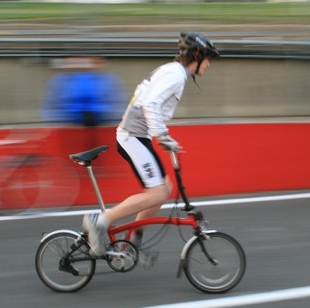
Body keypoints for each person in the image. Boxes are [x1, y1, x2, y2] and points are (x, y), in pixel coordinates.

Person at [83, 32, 220, 257]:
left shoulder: (174, 72)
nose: (208, 65)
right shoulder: (175, 74)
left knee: (163, 190)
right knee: (156, 193)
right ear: (197, 54)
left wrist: (163, 137)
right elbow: (151, 104)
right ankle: (99, 221)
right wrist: (163, 136)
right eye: (208, 59)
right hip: (132, 136)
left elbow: (151, 104)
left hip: (138, 135)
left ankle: (135, 240)